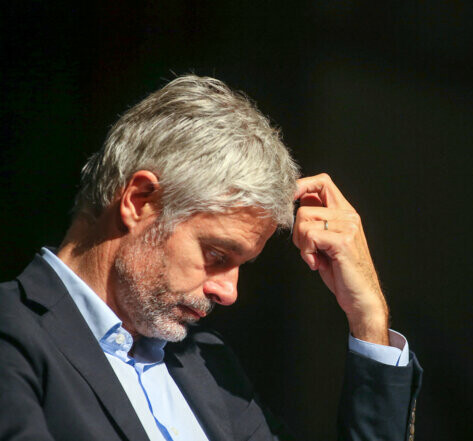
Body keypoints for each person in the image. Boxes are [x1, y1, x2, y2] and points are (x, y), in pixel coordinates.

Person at [0, 75, 422, 440]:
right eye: (217, 254)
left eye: (241, 264)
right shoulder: (14, 332)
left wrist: (368, 319)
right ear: (139, 200)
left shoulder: (207, 366)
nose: (229, 292)